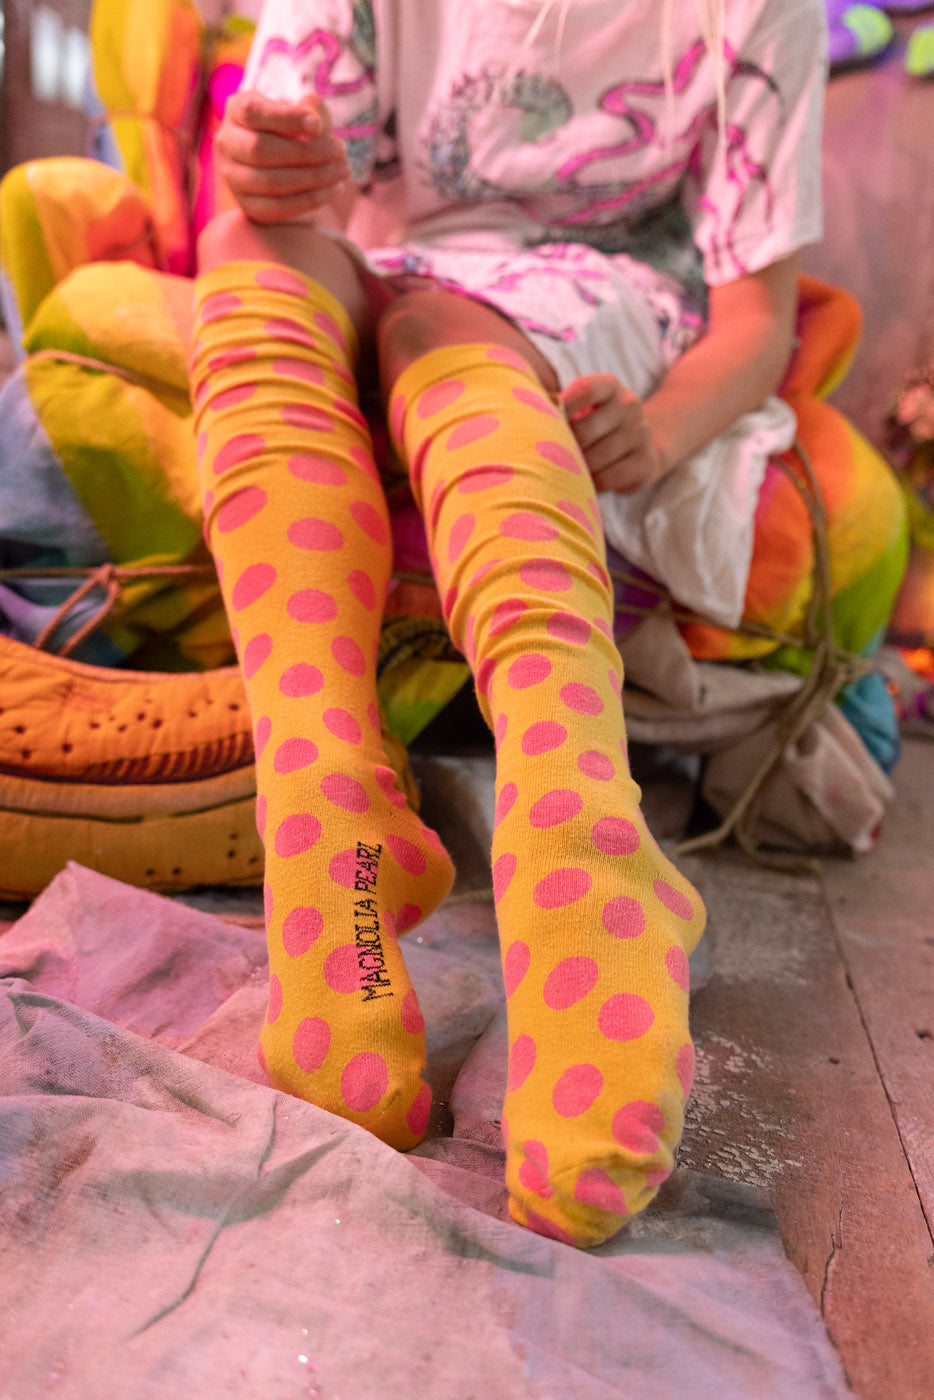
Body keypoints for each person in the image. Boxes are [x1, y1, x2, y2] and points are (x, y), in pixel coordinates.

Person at [190, 0, 824, 1247]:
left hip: (571, 291)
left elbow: (760, 313)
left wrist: (669, 428)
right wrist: (258, 164)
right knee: (246, 273)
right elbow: (287, 182)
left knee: (442, 334)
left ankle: (579, 825)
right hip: (358, 259)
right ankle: (327, 808)